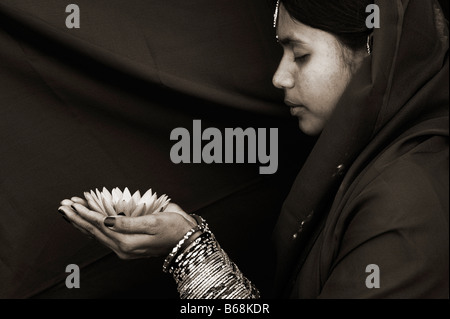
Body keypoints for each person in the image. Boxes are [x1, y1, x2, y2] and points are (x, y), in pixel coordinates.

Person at [59, 0, 449, 299]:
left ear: (372, 52)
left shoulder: (408, 200)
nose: (280, 77)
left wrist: (192, 255)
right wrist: (186, 241)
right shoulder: (369, 167)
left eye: (300, 54)